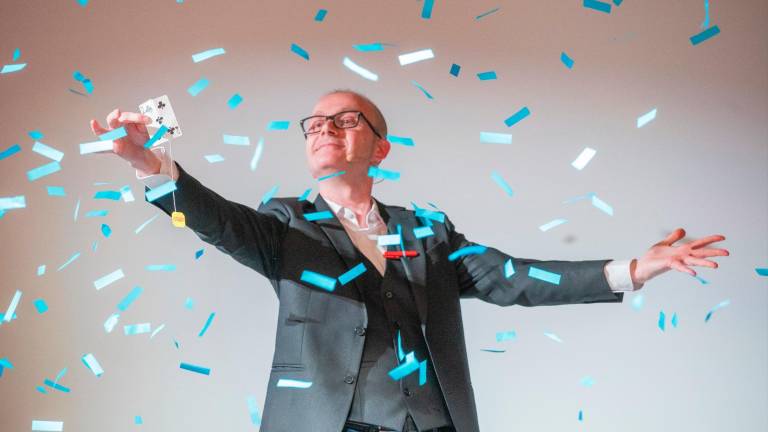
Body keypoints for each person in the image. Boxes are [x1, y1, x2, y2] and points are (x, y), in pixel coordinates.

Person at [89, 90, 729, 432]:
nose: (323, 130)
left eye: (344, 120)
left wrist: (636, 269)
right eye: (313, 124)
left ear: (380, 146)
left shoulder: (429, 233)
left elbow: (515, 279)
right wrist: (151, 166)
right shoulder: (284, 225)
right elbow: (216, 223)